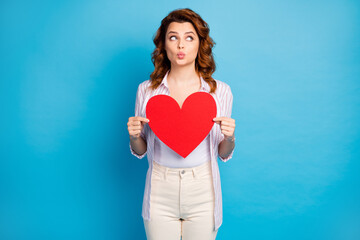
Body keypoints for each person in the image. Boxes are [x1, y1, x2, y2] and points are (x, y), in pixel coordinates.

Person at [127, 8, 235, 240]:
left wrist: (229, 138)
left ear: (200, 44)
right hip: (159, 188)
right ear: (164, 45)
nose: (181, 45)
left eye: (189, 37)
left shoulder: (220, 92)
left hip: (203, 188)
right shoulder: (147, 91)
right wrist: (135, 137)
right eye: (173, 37)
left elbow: (222, 153)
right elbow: (141, 149)